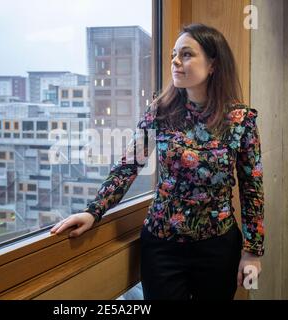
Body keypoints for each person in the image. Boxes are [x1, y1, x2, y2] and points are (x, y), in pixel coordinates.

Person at [51, 23, 264, 300]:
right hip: (162, 245)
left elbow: (252, 189)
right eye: (174, 54)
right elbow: (129, 165)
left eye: (186, 54)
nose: (175, 61)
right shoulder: (160, 111)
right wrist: (94, 210)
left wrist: (252, 252)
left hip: (218, 247)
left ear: (213, 64)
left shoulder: (240, 120)